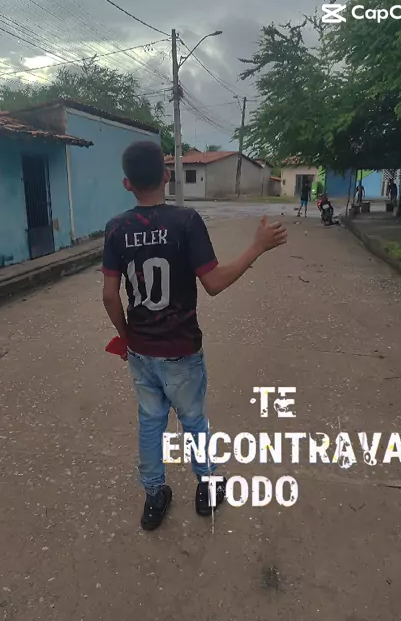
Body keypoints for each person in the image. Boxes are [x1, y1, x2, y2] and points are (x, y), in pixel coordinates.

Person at [102, 141, 287, 531]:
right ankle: (207, 484)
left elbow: (109, 295)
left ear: (126, 183)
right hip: (181, 349)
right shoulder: (186, 221)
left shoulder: (116, 228)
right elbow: (214, 283)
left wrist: (126, 337)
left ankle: (155, 495)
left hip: (141, 349)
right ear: (167, 175)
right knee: (192, 419)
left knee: (150, 422)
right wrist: (256, 247)